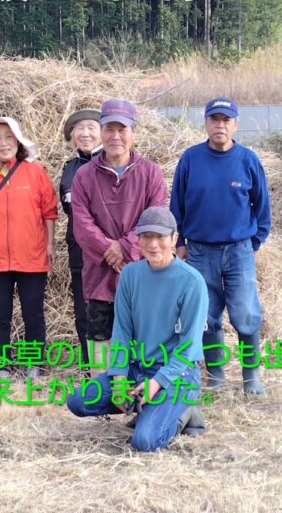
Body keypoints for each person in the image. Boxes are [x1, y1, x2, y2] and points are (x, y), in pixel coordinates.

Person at [66, 207, 207, 452]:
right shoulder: (130, 275)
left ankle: (185, 410)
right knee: (79, 401)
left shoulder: (192, 282)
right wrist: (119, 378)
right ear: (138, 240)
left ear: (174, 238)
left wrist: (158, 382)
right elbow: (122, 331)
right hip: (138, 368)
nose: (153, 244)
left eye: (160, 237)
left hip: (177, 373)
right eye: (146, 237)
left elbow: (189, 347)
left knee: (145, 441)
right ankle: (148, 407)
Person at [170, 97, 272, 396]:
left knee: (247, 314)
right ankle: (216, 375)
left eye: (226, 120)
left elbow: (262, 208)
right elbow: (176, 204)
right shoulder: (191, 159)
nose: (220, 125)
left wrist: (254, 242)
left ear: (235, 125)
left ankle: (251, 377)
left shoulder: (248, 159)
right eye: (214, 119)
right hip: (200, 251)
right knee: (207, 315)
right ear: (206, 123)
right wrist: (179, 243)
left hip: (239, 250)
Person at [71, 99, 167, 374]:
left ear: (133, 133)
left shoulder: (150, 173)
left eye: (122, 129)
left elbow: (155, 217)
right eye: (109, 129)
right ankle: (104, 389)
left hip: (140, 270)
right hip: (99, 271)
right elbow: (82, 224)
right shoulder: (85, 176)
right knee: (100, 336)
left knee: (143, 337)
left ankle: (139, 389)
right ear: (101, 132)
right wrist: (109, 250)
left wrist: (125, 248)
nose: (115, 136)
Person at [0, 117, 58, 380]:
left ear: (18, 141)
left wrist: (50, 243)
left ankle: (34, 363)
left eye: (9, 137)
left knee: (33, 313)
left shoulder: (35, 172)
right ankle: (2, 365)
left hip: (31, 255)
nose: (3, 143)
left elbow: (49, 210)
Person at [58, 108, 102, 367]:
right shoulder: (69, 169)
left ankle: (116, 369)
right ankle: (90, 368)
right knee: (82, 312)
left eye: (91, 128)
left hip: (108, 254)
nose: (85, 134)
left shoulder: (110, 164)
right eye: (79, 129)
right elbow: (68, 209)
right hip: (78, 252)